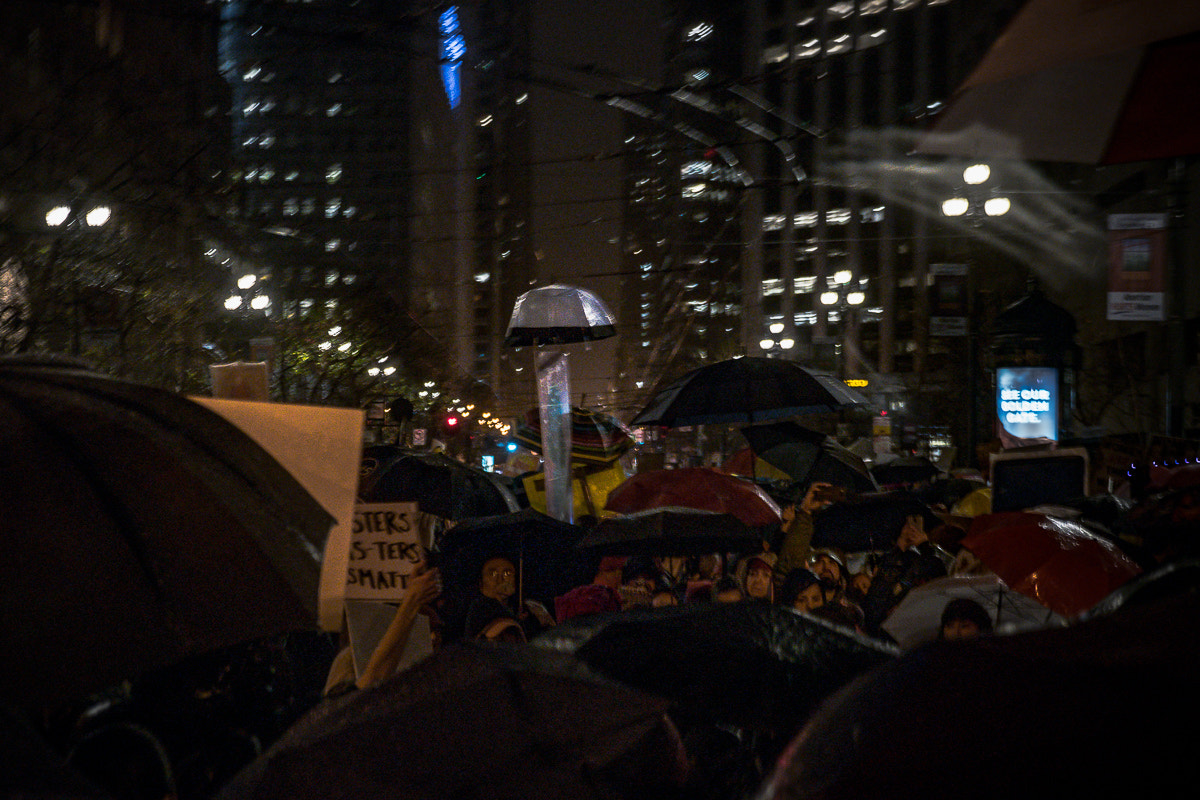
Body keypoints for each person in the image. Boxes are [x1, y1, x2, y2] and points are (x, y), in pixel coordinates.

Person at [323, 563, 442, 695]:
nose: (433, 637)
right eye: (425, 629)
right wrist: (411, 603)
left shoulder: (438, 663)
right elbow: (353, 702)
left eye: (436, 630)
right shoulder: (349, 660)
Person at [860, 513, 950, 638]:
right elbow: (876, 603)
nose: (911, 529)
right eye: (908, 524)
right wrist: (900, 547)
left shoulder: (926, 561)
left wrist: (925, 547)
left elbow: (940, 579)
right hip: (883, 634)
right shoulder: (886, 560)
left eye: (915, 523)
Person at [773, 482, 844, 590]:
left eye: (832, 563)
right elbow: (791, 561)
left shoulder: (849, 606)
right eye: (820, 561)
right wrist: (805, 511)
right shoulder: (796, 592)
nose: (826, 567)